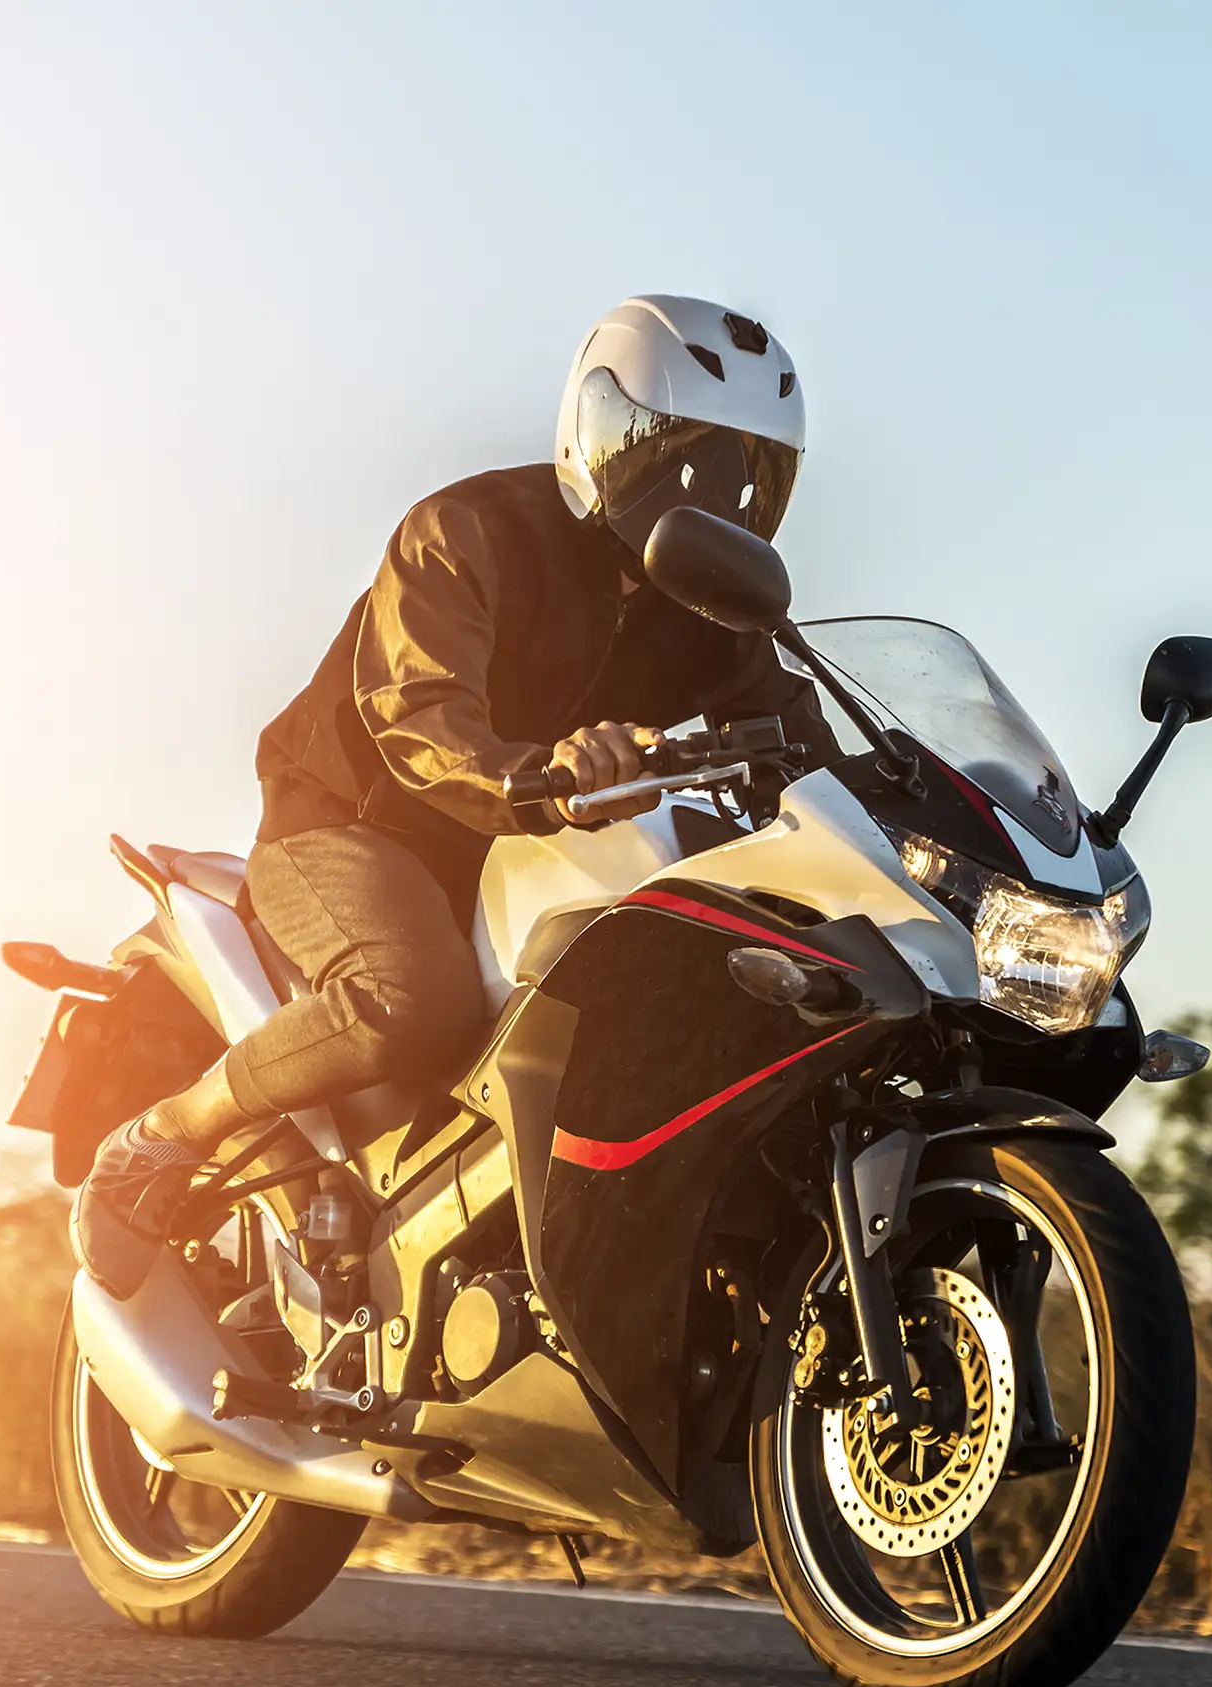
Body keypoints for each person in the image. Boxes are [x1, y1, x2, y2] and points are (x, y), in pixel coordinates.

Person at [73, 294, 825, 1296]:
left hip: (526, 844)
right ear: (606, 433)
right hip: (356, 820)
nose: (720, 505)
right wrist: (546, 774)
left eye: (750, 476)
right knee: (411, 1005)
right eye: (691, 464)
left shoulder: (710, 613)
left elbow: (803, 739)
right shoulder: (466, 533)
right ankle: (166, 1134)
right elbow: (416, 716)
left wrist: (913, 806)